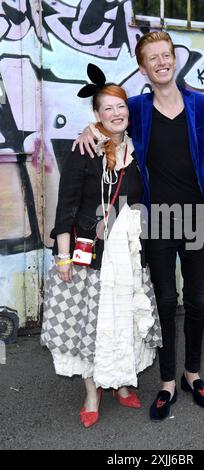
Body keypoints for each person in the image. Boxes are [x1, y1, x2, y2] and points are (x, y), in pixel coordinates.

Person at [72, 32, 204, 421]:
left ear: (174, 60)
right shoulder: (138, 108)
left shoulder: (203, 106)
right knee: (163, 302)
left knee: (194, 300)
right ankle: (166, 383)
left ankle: (192, 373)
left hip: (195, 217)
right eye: (152, 58)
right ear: (143, 69)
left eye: (166, 55)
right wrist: (89, 130)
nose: (161, 62)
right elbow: (111, 123)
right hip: (156, 219)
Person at [41, 64, 162, 428]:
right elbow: (66, 208)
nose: (116, 113)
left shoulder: (137, 151)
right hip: (89, 259)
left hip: (128, 259)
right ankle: (93, 392)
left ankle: (122, 383)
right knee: (91, 327)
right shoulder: (84, 151)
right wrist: (63, 257)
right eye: (107, 108)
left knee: (123, 323)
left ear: (129, 111)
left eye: (120, 106)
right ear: (96, 114)